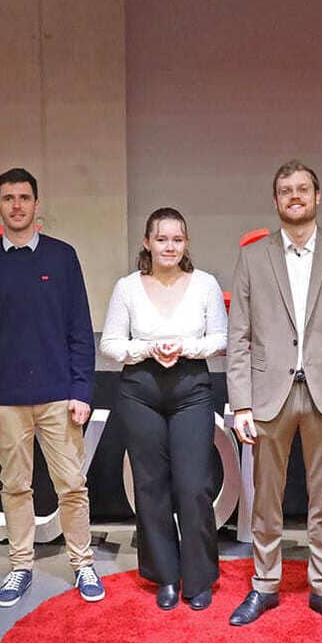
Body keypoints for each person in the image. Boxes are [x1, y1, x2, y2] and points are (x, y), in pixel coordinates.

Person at [226, 161, 322, 630]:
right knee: (264, 499)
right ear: (275, 201)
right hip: (268, 396)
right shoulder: (253, 258)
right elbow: (239, 336)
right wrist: (242, 402)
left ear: (318, 196)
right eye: (286, 190)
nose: (295, 196)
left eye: (303, 189)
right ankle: (264, 585)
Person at [0, 167, 102, 607]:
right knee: (15, 487)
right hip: (5, 402)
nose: (17, 205)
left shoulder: (62, 257)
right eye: (8, 198)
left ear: (36, 205)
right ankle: (21, 565)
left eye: (24, 197)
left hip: (60, 397)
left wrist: (82, 391)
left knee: (72, 485)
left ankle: (83, 564)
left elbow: (80, 327)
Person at [101, 207, 228, 611]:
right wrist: (146, 349)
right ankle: (166, 577)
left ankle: (199, 577)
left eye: (177, 239)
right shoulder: (127, 287)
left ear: (186, 243)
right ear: (147, 243)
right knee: (151, 486)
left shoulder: (205, 284)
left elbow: (220, 338)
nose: (169, 246)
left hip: (192, 387)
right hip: (140, 389)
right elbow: (110, 344)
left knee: (194, 486)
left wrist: (185, 347)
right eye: (161, 239)